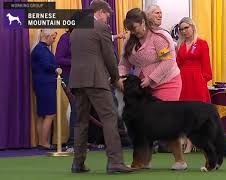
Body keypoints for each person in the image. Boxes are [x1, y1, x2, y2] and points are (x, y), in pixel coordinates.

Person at [118, 8, 187, 170]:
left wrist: (151, 78)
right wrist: (121, 77)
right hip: (143, 87)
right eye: (130, 30)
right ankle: (144, 161)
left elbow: (168, 62)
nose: (134, 32)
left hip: (167, 82)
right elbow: (124, 63)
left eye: (135, 28)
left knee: (167, 123)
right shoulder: (131, 40)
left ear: (143, 23)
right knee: (142, 125)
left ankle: (180, 161)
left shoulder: (160, 37)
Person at [69, 0, 133, 174]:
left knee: (81, 122)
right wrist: (116, 78)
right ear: (99, 12)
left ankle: (78, 163)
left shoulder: (75, 29)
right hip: (96, 79)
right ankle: (115, 162)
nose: (107, 18)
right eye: (107, 14)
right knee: (110, 117)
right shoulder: (101, 28)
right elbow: (109, 57)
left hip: (77, 80)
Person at [176, 17, 212, 153]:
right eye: (182, 29)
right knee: (185, 114)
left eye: (186, 27)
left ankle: (199, 142)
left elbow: (206, 65)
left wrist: (204, 80)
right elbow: (177, 65)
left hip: (197, 81)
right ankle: (187, 142)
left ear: (192, 27)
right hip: (183, 81)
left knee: (199, 113)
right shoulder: (180, 45)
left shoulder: (202, 43)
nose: (184, 31)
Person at [31, 29, 58, 150]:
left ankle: (42, 141)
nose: (54, 40)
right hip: (46, 83)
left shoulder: (38, 48)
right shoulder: (42, 50)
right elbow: (47, 66)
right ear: (47, 36)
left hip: (41, 83)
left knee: (42, 114)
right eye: (53, 37)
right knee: (50, 113)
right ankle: (44, 142)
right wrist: (57, 68)